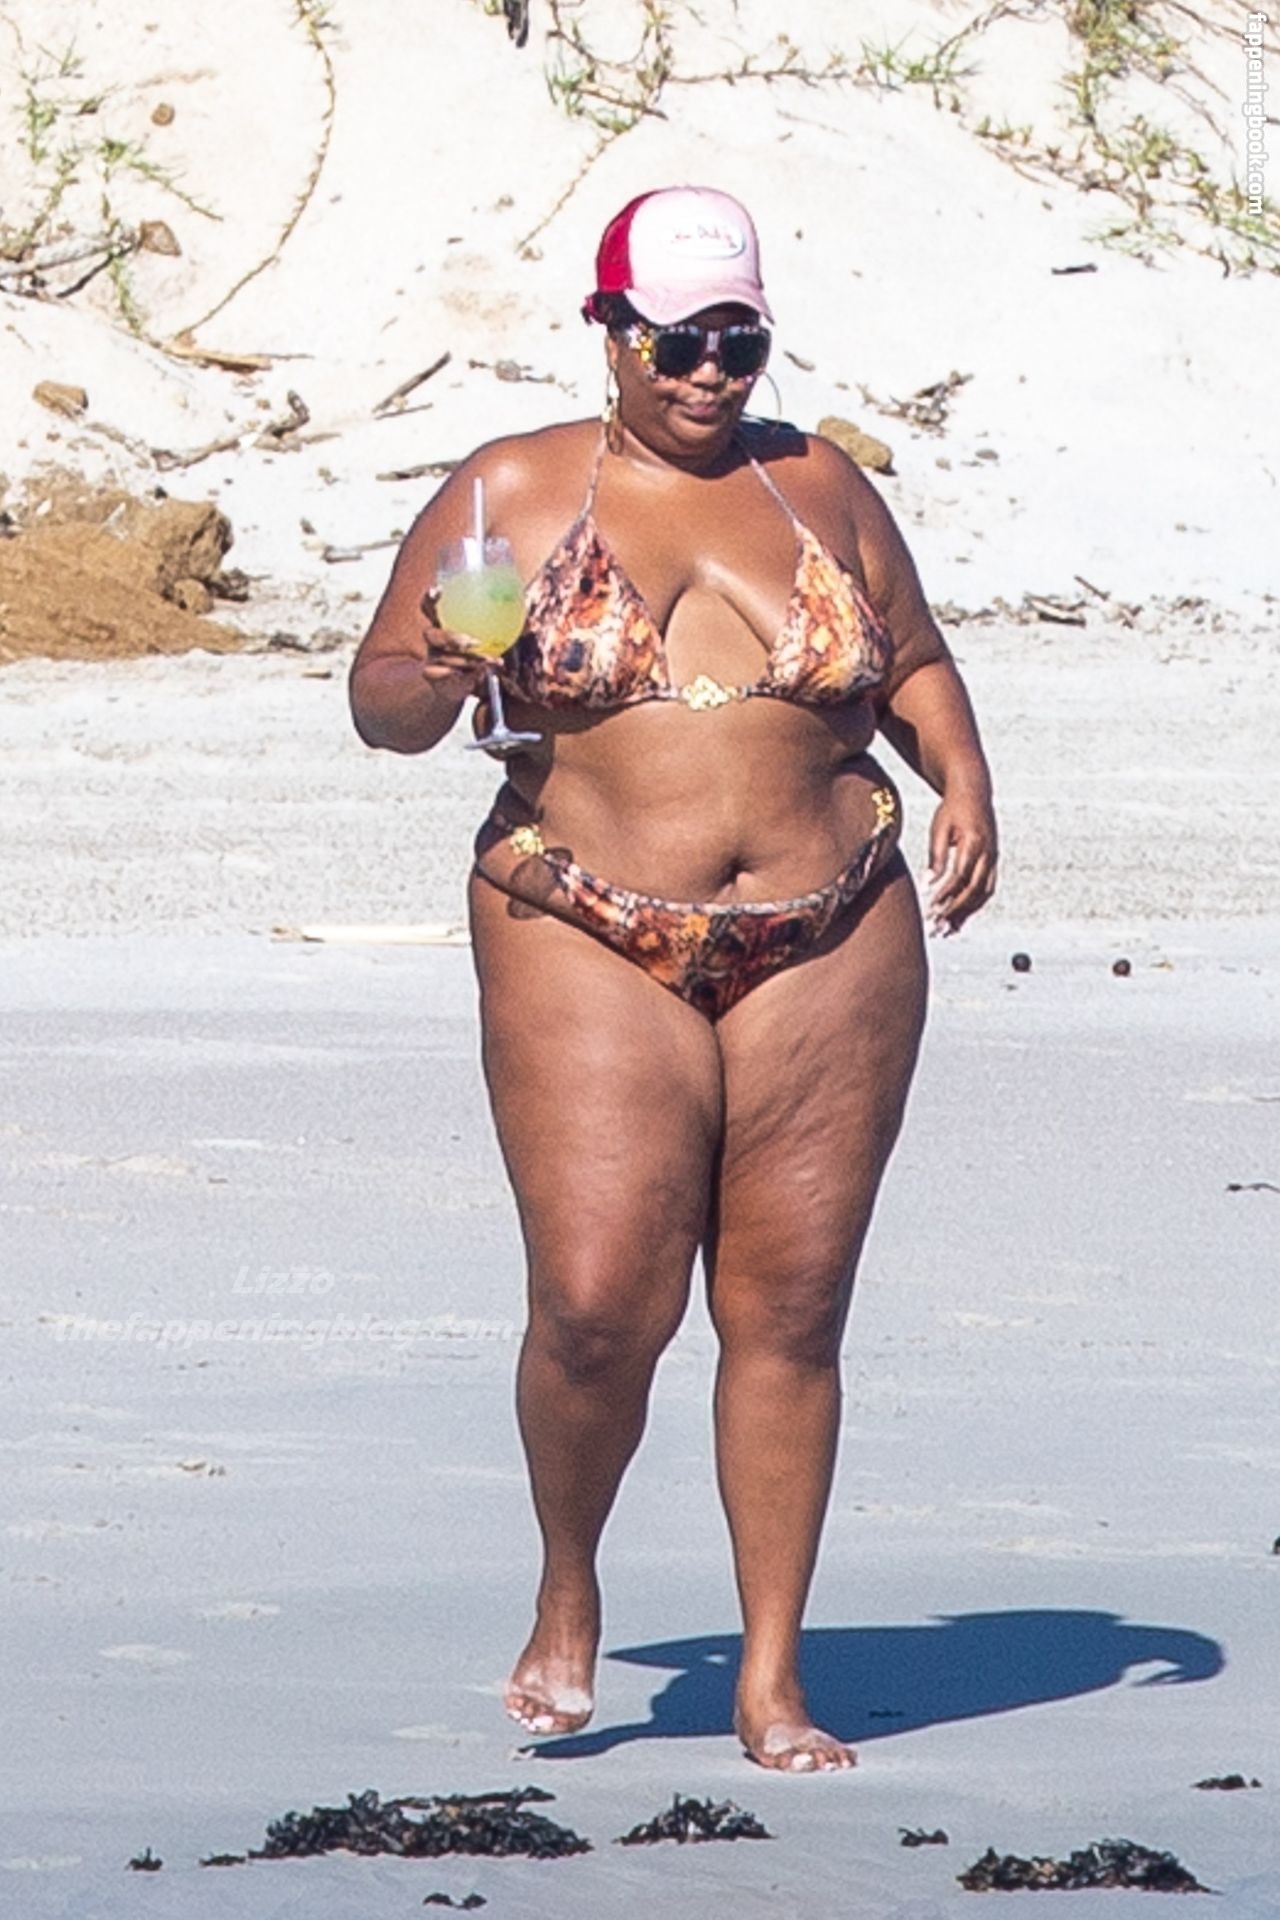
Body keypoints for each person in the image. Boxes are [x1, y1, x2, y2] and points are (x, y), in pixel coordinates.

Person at [348, 186, 997, 1773]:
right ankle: (569, 1586)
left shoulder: (818, 485)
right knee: (596, 1306)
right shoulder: (514, 487)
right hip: (581, 920)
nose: (709, 372)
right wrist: (441, 667)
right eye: (677, 342)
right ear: (611, 330)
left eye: (737, 342)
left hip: (832, 927)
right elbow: (382, 705)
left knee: (791, 1307)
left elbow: (912, 658)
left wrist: (966, 778)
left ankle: (771, 1678)